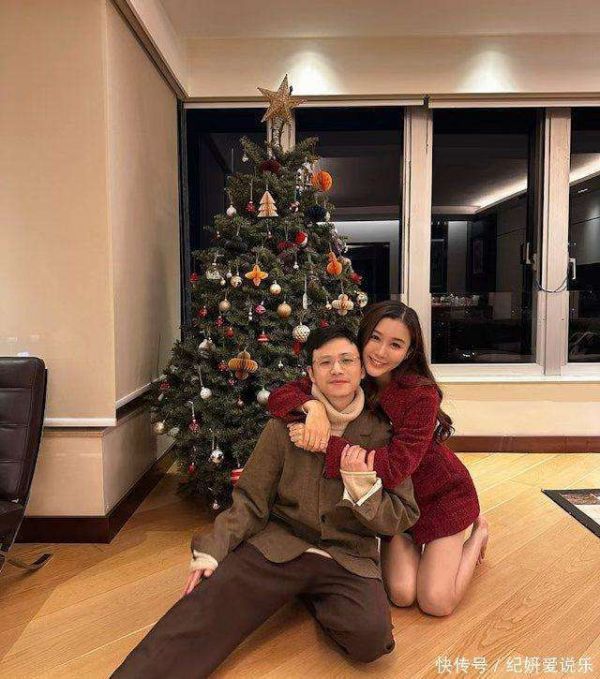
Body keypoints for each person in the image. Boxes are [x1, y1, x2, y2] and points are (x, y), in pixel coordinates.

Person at [111, 326, 420, 679]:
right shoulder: (283, 427)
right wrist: (214, 548)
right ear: (311, 373)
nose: (337, 369)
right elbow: (250, 499)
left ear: (362, 370)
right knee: (208, 605)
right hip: (280, 545)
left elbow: (402, 515)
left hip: (347, 554)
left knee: (372, 640)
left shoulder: (384, 434)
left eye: (346, 360)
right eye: (325, 362)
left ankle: (308, 593)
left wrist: (362, 488)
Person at [268, 301, 487, 618]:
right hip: (397, 504)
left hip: (440, 496)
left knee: (435, 602)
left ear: (409, 352)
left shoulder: (421, 394)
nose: (381, 352)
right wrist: (312, 408)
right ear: (364, 336)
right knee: (402, 594)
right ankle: (422, 550)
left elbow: (395, 467)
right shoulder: (353, 370)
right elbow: (280, 397)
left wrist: (325, 445)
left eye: (395, 344)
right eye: (375, 338)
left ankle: (478, 533)